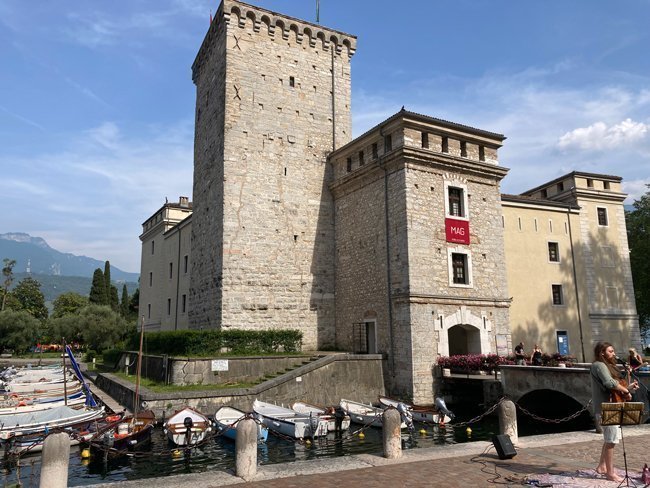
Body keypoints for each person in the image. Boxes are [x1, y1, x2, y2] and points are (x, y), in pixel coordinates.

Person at [590, 341, 639, 482]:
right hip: (606, 407)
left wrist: (628, 388)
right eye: (610, 351)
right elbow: (609, 383)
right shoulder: (598, 365)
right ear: (602, 353)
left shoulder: (607, 366)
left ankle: (601, 466)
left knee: (609, 438)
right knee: (611, 440)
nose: (614, 354)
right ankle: (610, 473)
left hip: (611, 404)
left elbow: (615, 387)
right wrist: (625, 390)